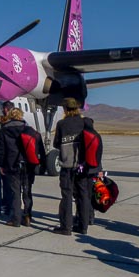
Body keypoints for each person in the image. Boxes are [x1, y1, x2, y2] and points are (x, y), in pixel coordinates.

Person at [52, 98, 89, 235]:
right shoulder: (83, 122)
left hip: (67, 165)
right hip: (81, 165)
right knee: (82, 195)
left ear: (66, 109)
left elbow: (56, 143)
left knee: (67, 195)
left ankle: (66, 227)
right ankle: (83, 226)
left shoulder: (62, 124)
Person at [0, 107, 26, 227]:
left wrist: (1, 164)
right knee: (27, 191)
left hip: (11, 163)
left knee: (15, 192)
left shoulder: (5, 129)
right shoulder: (26, 128)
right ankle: (27, 215)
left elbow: (2, 149)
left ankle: (15, 218)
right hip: (25, 162)